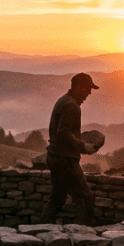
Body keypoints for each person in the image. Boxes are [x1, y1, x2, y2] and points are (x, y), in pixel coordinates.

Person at [40, 72, 99, 225]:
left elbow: (63, 132)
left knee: (58, 198)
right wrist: (83, 146)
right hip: (65, 159)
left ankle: (43, 231)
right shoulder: (72, 106)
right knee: (85, 197)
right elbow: (63, 134)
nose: (89, 93)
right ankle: (84, 236)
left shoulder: (63, 101)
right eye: (87, 88)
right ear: (79, 87)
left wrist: (79, 138)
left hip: (54, 156)